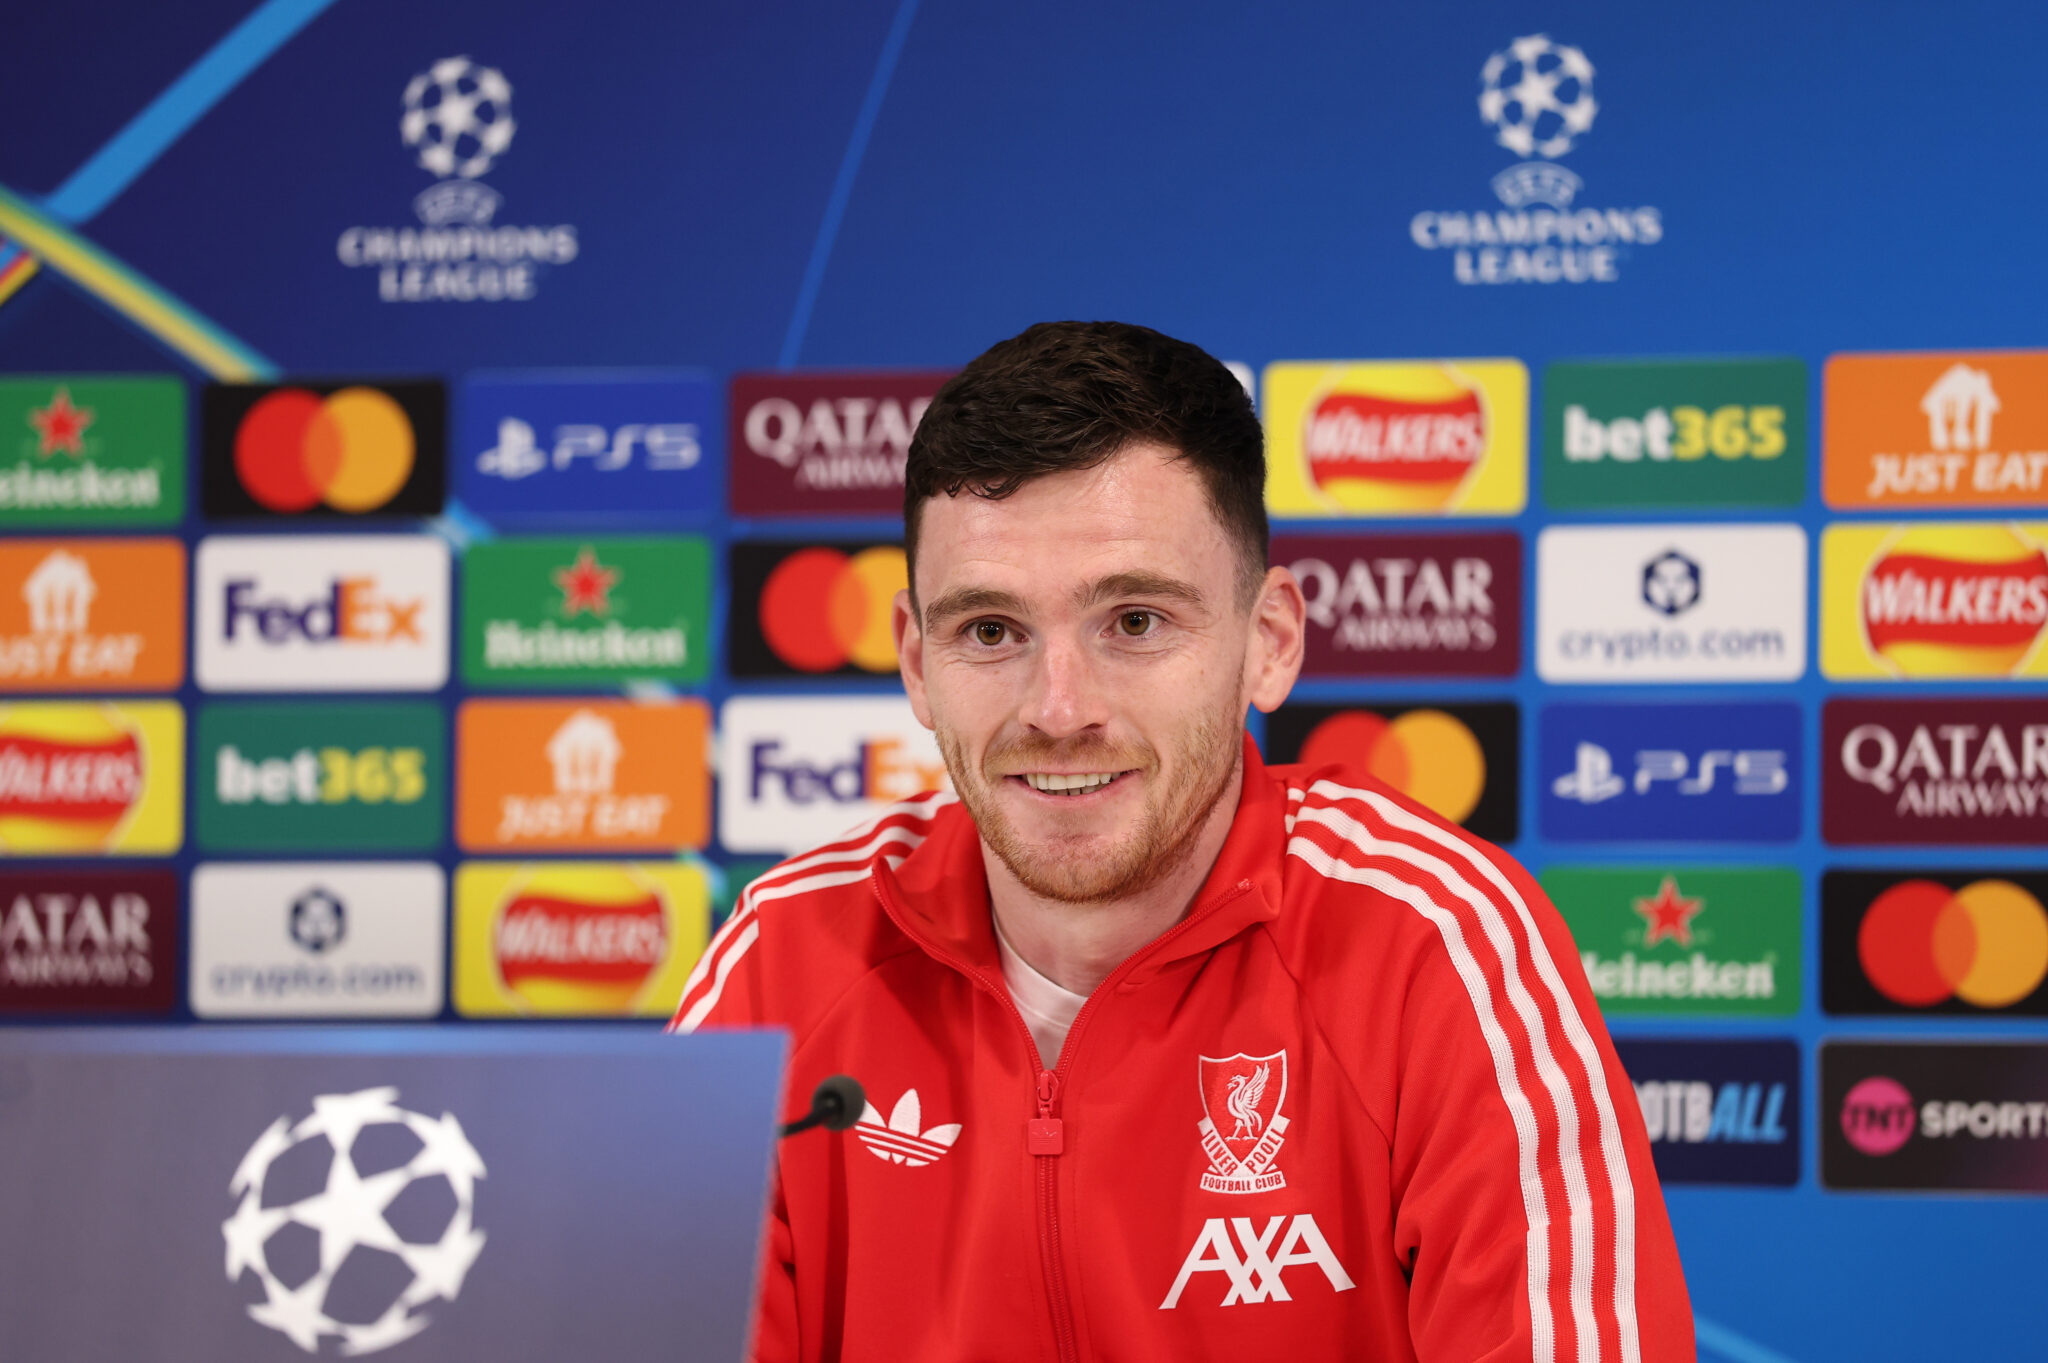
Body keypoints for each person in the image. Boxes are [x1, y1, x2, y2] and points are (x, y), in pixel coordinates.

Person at [673, 321, 1693, 1362]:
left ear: (1269, 642)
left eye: (1134, 622)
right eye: (990, 631)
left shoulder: (1434, 947)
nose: (1057, 708)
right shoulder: (780, 968)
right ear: (915, 662)